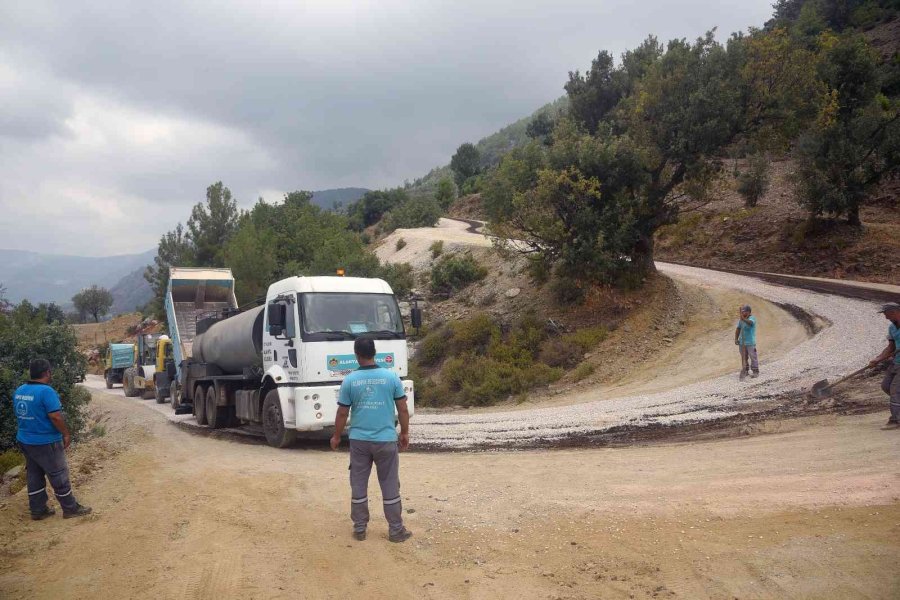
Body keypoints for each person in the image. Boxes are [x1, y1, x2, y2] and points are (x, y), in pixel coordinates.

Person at [330, 338, 412, 543]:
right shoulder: (391, 377)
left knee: (358, 483)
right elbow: (403, 409)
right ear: (374, 352)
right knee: (390, 484)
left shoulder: (350, 380)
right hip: (385, 440)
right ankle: (395, 530)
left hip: (359, 441)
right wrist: (404, 433)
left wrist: (337, 436)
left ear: (356, 354)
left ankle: (359, 528)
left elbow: (342, 413)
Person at [13, 358, 92, 520]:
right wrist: (66, 434)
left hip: (25, 440)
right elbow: (55, 416)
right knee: (59, 474)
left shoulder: (20, 390)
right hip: (45, 442)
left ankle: (38, 510)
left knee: (34, 475)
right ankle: (70, 508)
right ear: (47, 372)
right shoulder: (46, 391)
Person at [868, 302, 900, 428]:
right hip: (896, 361)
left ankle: (895, 420)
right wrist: (878, 358)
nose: (885, 317)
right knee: (886, 386)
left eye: (886, 314)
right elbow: (891, 346)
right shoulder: (892, 328)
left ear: (894, 312)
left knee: (895, 390)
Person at [735, 304, 759, 380]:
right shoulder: (741, 320)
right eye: (742, 312)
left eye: (744, 312)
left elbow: (750, 323)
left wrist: (743, 319)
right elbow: (738, 329)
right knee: (744, 357)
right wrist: (736, 339)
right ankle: (745, 370)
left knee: (753, 357)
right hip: (742, 342)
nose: (742, 313)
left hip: (750, 342)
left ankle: (755, 371)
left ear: (748, 312)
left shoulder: (752, 318)